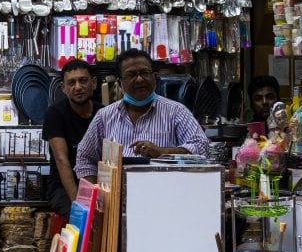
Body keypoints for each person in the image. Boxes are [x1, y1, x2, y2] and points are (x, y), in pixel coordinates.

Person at [74, 49, 210, 182]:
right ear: (120, 83)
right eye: (131, 75)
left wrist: (161, 152)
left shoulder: (176, 112)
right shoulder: (104, 116)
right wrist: (96, 196)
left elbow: (202, 148)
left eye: (144, 73)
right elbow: (85, 158)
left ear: (155, 77)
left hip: (165, 197)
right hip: (116, 200)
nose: (139, 79)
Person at [42, 59, 104, 215]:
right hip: (64, 186)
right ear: (63, 88)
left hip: (98, 183)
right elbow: (62, 160)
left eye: (83, 81)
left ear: (94, 83)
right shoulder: (55, 114)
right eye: (71, 83)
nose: (78, 87)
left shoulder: (104, 114)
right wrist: (79, 205)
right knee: (77, 217)